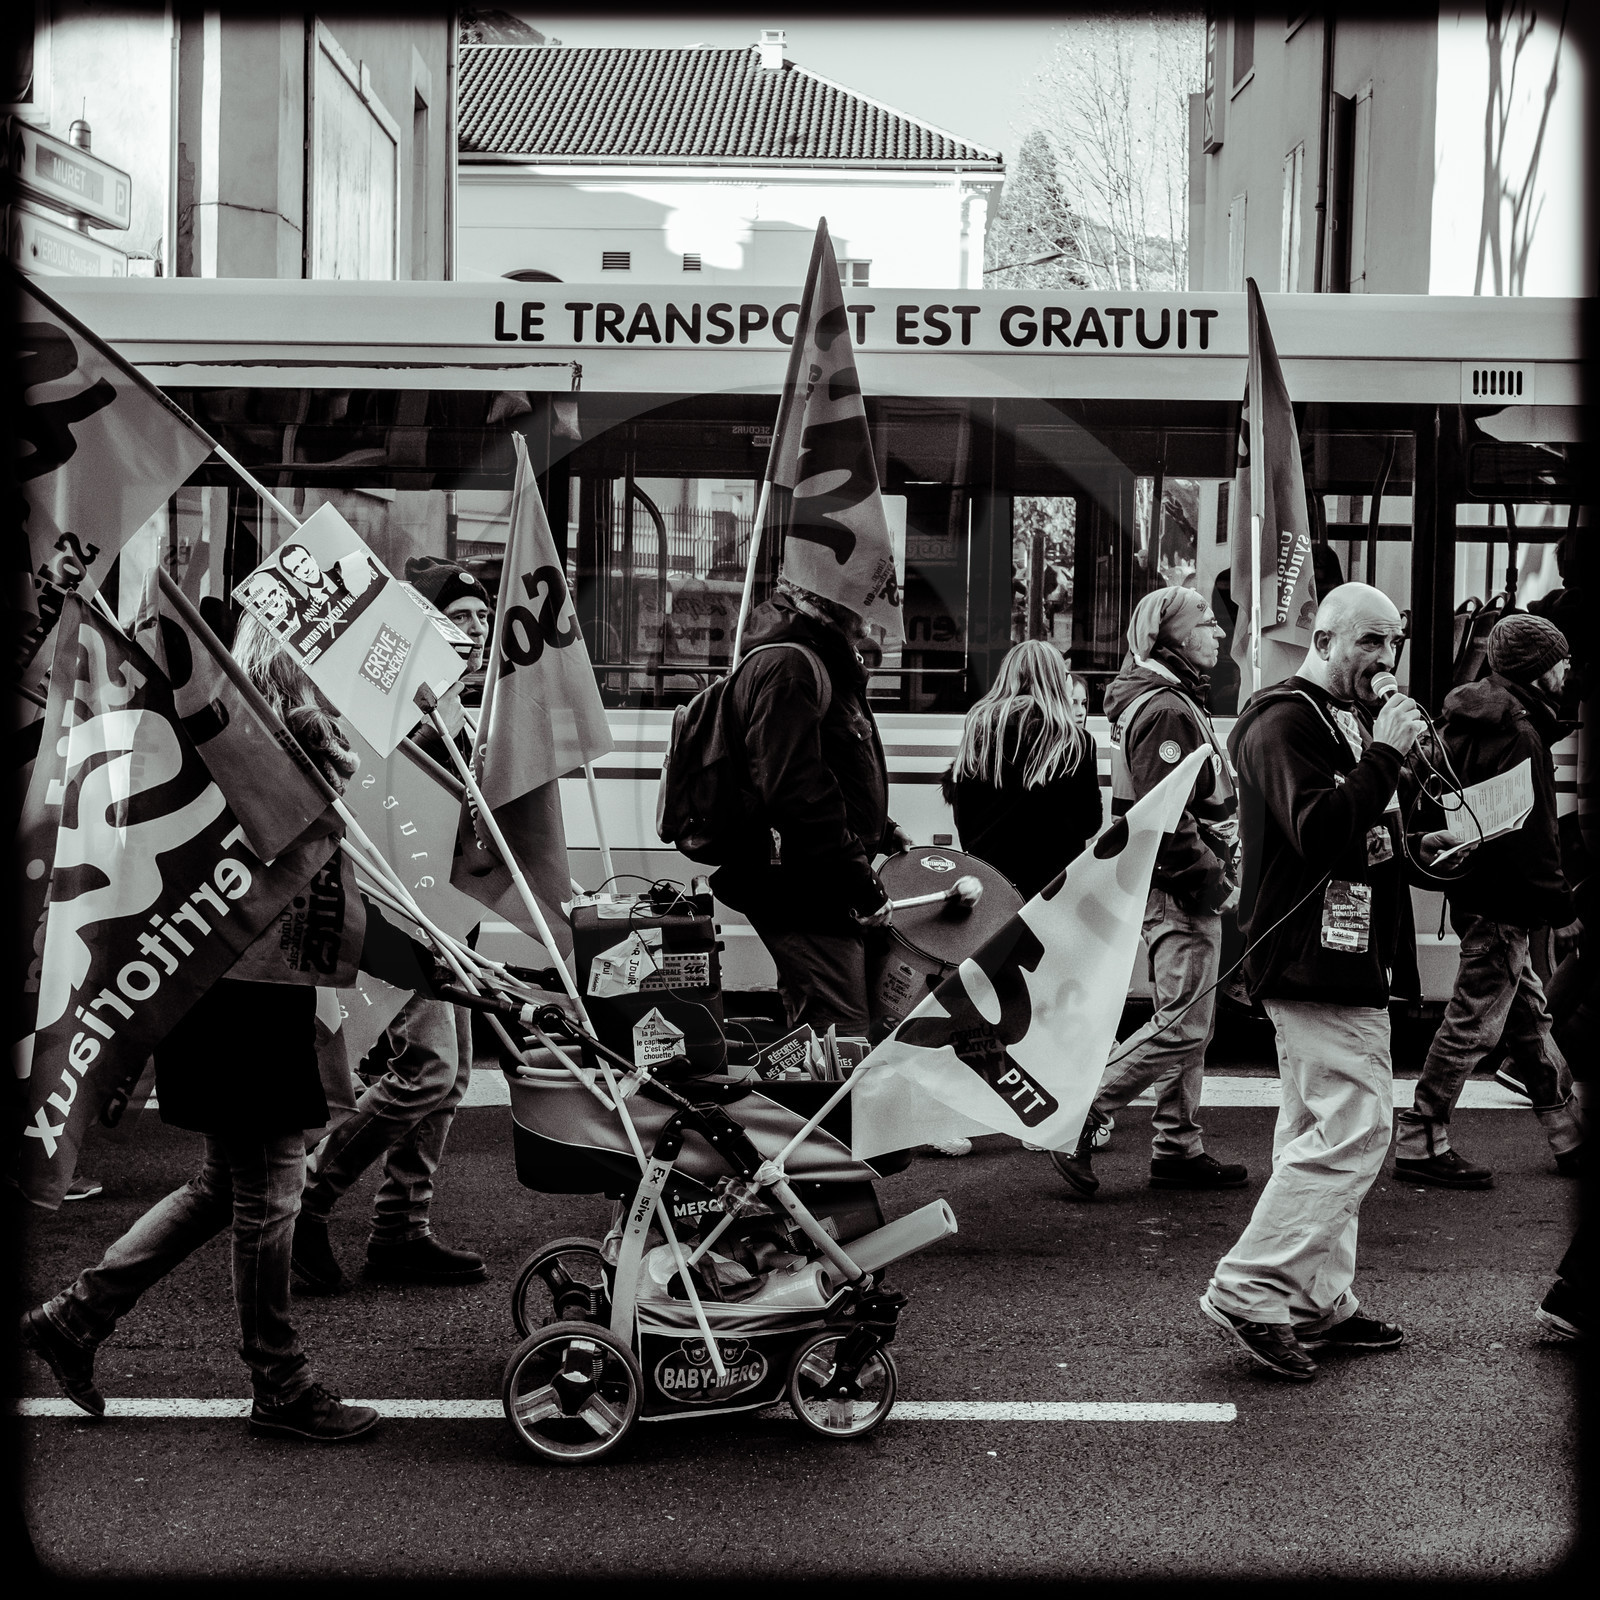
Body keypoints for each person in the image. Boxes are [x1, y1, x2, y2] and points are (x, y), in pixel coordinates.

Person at [20, 617, 378, 1442]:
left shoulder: (221, 737)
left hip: (223, 989)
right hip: (243, 996)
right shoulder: (271, 747)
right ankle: (280, 1383)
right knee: (269, 1195)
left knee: (227, 1183)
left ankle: (76, 1317)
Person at [1199, 582, 1460, 1382]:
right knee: (1357, 1134)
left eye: (1393, 645)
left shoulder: (1337, 720)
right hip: (1313, 959)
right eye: (1368, 644)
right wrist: (1384, 752)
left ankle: (1315, 1299)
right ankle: (1248, 1288)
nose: (1384, 662)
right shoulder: (1282, 720)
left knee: (1316, 1131)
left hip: (1341, 955)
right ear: (1323, 638)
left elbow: (1363, 834)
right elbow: (1317, 831)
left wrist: (1427, 840)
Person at [291, 559, 492, 1294]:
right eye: (458, 618)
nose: (473, 631)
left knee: (453, 1076)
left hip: (448, 911)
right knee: (428, 1070)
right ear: (422, 625)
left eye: (481, 618)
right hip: (402, 913)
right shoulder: (397, 704)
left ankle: (401, 1228)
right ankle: (311, 1194)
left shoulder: (459, 703)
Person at [1050, 587, 1249, 1199]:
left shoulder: (1168, 698)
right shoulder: (1166, 709)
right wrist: (1213, 883)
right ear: (1173, 638)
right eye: (1206, 623)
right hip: (1182, 888)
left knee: (1185, 1018)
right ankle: (1085, 1109)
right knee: (1185, 1026)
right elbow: (1167, 822)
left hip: (1173, 886)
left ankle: (1177, 1147)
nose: (1219, 633)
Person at [1392, 614, 1584, 1185]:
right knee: (1472, 1024)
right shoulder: (1521, 735)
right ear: (1539, 668)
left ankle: (1568, 1134)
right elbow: (1536, 839)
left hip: (1474, 887)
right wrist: (1564, 911)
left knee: (1528, 1017)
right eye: (1561, 659)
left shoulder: (1466, 718)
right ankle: (1421, 1137)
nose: (1567, 668)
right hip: (1505, 902)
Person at [710, 577, 912, 1037]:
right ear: (837, 600)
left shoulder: (810, 660)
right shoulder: (793, 667)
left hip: (810, 880)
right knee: (840, 1029)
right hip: (804, 886)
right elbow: (796, 793)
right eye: (867, 599)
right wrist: (862, 884)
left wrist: (880, 827)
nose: (876, 613)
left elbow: (825, 770)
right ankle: (822, 1112)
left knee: (825, 1025)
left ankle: (801, 1105)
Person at [941, 641, 1102, 900]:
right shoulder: (1076, 742)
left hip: (991, 882)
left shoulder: (978, 732)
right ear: (1058, 681)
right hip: (1051, 890)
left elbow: (965, 817)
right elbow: (1088, 823)